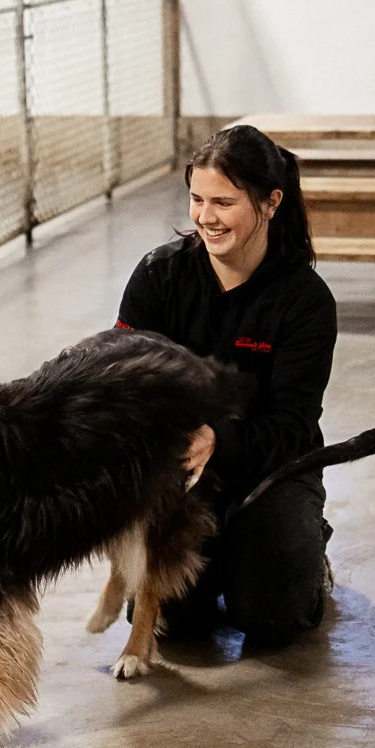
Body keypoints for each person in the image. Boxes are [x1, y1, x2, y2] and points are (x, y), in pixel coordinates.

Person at [114, 124, 337, 650]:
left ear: (270, 202)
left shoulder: (305, 301)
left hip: (272, 468)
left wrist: (219, 439)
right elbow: (121, 378)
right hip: (182, 474)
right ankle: (221, 560)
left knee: (274, 617)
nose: (205, 217)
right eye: (196, 199)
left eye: (224, 202)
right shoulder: (157, 276)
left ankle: (305, 549)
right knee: (168, 623)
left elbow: (292, 425)